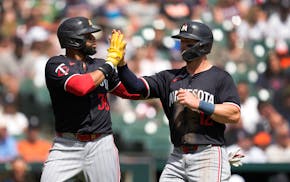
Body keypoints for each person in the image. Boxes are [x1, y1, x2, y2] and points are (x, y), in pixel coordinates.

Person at [117, 21, 241, 181]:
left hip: (208, 154)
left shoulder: (220, 78)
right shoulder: (168, 77)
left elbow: (234, 114)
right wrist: (121, 65)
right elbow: (135, 86)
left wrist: (199, 104)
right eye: (181, 42)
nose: (182, 46)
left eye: (188, 43)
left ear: (203, 45)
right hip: (177, 155)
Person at [41, 16, 140, 182]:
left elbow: (131, 92)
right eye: (88, 36)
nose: (94, 39)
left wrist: (121, 64)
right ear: (74, 41)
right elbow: (81, 87)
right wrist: (110, 63)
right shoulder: (56, 64)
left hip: (101, 144)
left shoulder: (99, 65)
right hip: (66, 144)